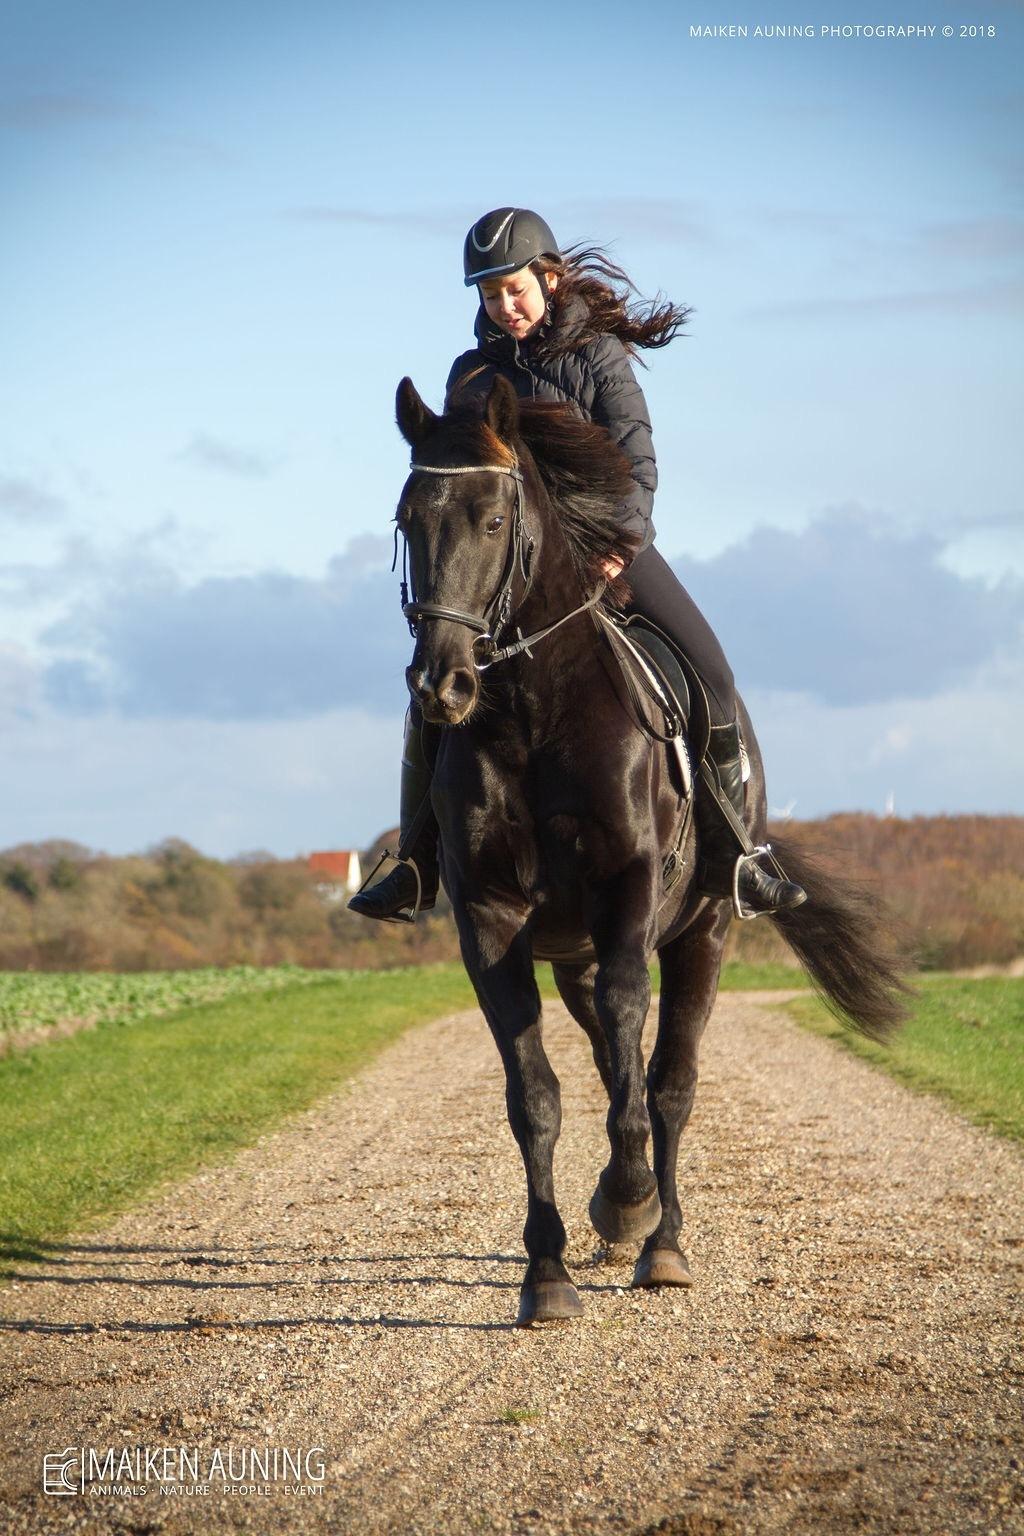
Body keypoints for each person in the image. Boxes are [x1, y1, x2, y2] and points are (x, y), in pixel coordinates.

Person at [350, 207, 805, 923]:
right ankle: (414, 860)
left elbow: (638, 461)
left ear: (550, 278)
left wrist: (619, 546)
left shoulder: (597, 357)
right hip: (509, 575)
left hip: (609, 552)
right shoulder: (470, 373)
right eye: (492, 295)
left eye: (517, 291)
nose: (506, 306)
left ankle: (738, 853)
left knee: (712, 673)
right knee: (431, 690)